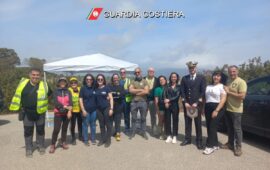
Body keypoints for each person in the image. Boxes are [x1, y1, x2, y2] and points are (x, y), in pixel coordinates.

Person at [9, 68, 51, 158]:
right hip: (27, 113)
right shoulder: (22, 85)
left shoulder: (44, 85)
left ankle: (41, 146)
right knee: (28, 131)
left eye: (37, 75)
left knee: (40, 130)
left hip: (40, 113)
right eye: (33, 75)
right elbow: (18, 96)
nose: (35, 77)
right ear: (30, 75)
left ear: (40, 76)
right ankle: (29, 148)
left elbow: (50, 95)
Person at [221, 65, 247, 156]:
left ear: (237, 71)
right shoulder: (228, 81)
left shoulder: (241, 82)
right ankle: (230, 144)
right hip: (228, 108)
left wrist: (229, 92)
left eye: (234, 71)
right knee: (230, 128)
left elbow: (242, 96)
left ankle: (239, 147)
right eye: (230, 71)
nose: (232, 73)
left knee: (237, 129)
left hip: (236, 110)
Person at [181, 61, 206, 150]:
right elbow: (182, 91)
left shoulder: (201, 78)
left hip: (197, 105)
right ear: (188, 69)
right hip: (187, 104)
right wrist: (185, 102)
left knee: (198, 123)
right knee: (188, 123)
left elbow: (203, 91)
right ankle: (187, 139)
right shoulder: (184, 78)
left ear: (196, 69)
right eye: (190, 68)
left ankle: (199, 141)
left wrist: (197, 103)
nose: (192, 69)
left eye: (193, 68)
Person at [203, 71, 227, 155]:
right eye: (214, 76)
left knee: (213, 126)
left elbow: (223, 99)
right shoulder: (208, 86)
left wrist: (216, 110)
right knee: (209, 126)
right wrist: (203, 108)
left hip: (218, 107)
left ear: (221, 78)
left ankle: (209, 146)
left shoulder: (222, 86)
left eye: (218, 76)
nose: (216, 77)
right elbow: (206, 98)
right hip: (207, 107)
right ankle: (215, 144)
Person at [49, 77, 72, 154]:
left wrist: (69, 111)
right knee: (56, 129)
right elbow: (55, 102)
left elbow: (71, 103)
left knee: (64, 129)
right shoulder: (56, 91)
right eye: (61, 81)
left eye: (64, 82)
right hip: (58, 113)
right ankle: (53, 144)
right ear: (58, 83)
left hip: (66, 113)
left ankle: (63, 142)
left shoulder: (68, 91)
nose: (62, 83)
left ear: (66, 83)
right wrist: (64, 107)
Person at [129, 67, 149, 140]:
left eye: (138, 72)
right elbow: (130, 90)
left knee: (143, 118)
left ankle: (143, 132)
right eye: (136, 72)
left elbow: (146, 91)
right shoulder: (133, 81)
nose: (137, 73)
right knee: (134, 118)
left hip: (143, 102)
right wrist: (141, 89)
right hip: (134, 102)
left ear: (141, 72)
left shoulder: (145, 81)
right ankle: (133, 132)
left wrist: (136, 92)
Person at [95, 74, 114, 147]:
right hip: (98, 109)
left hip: (106, 108)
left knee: (108, 124)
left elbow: (111, 98)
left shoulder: (107, 88)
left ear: (103, 80)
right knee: (101, 125)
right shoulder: (95, 88)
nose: (100, 80)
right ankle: (103, 139)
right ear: (97, 80)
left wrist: (111, 109)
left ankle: (108, 140)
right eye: (98, 79)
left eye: (101, 79)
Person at [79, 74, 97, 146]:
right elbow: (80, 99)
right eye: (87, 79)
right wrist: (83, 110)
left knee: (93, 125)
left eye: (90, 79)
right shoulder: (83, 88)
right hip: (85, 110)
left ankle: (93, 139)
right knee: (85, 125)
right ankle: (86, 140)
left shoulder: (95, 88)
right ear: (85, 80)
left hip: (94, 110)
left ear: (92, 80)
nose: (89, 80)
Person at [164, 72, 181, 144]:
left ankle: (174, 136)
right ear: (170, 78)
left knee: (175, 120)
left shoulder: (179, 87)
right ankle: (169, 136)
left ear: (177, 78)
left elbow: (177, 96)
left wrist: (169, 100)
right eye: (172, 77)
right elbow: (164, 94)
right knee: (167, 120)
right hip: (168, 105)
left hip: (175, 105)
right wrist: (166, 102)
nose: (173, 78)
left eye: (175, 77)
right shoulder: (167, 86)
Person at [109, 73, 125, 141]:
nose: (115, 79)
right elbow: (109, 95)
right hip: (111, 106)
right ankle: (110, 133)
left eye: (116, 78)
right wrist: (116, 94)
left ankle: (117, 133)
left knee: (117, 121)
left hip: (119, 106)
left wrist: (114, 95)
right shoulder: (109, 86)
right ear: (112, 79)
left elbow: (121, 95)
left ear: (118, 78)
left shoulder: (121, 87)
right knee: (110, 120)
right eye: (114, 78)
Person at [144, 67, 159, 135]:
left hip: (153, 100)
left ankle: (154, 129)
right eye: (149, 71)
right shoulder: (143, 79)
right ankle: (143, 129)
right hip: (144, 100)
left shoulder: (157, 79)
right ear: (147, 72)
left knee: (153, 116)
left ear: (154, 72)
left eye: (152, 71)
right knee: (143, 115)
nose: (151, 72)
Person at [68, 77, 82, 145]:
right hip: (72, 110)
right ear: (70, 84)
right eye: (72, 83)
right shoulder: (68, 90)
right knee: (73, 125)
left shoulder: (80, 89)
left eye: (75, 82)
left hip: (80, 110)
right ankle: (73, 137)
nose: (73, 84)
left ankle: (80, 136)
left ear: (77, 83)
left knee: (80, 124)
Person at [154, 75, 167, 140]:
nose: (162, 81)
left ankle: (166, 133)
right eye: (160, 80)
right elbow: (156, 100)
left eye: (163, 79)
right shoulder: (157, 89)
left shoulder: (168, 87)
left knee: (166, 120)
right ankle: (160, 133)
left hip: (168, 107)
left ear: (165, 80)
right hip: (160, 107)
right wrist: (157, 109)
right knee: (161, 120)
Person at [119, 68, 132, 133]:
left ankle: (127, 128)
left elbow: (130, 90)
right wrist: (125, 91)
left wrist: (123, 91)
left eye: (124, 72)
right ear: (120, 73)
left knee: (127, 115)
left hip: (127, 100)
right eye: (121, 72)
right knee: (118, 115)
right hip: (120, 100)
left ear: (125, 73)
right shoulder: (118, 81)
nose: (122, 73)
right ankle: (117, 129)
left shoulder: (129, 80)